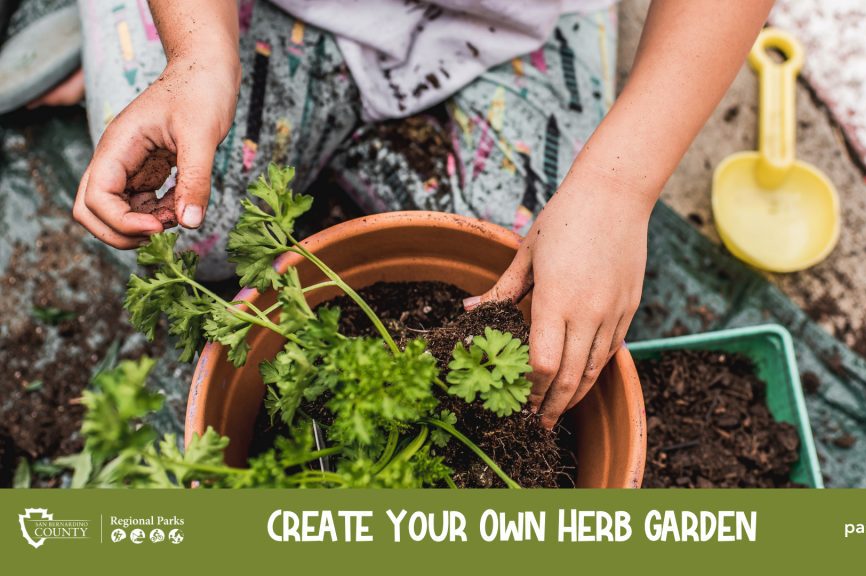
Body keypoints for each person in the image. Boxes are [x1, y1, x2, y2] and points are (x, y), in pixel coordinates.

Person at [61, 0, 772, 428]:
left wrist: (619, 191)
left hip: (505, 23)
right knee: (186, 222)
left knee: (531, 282)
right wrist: (196, 54)